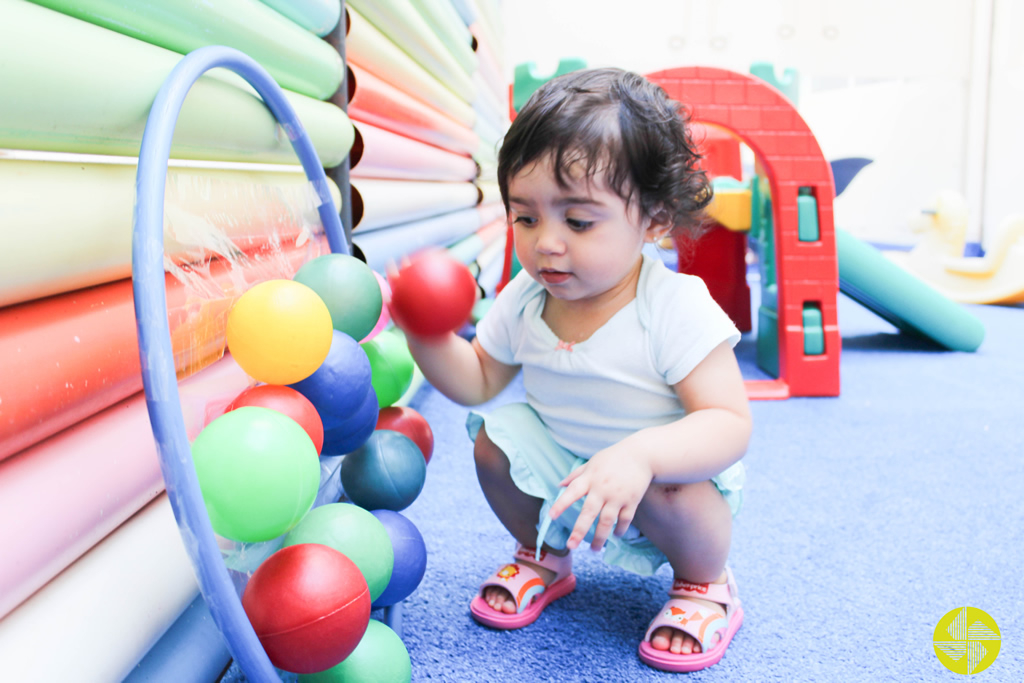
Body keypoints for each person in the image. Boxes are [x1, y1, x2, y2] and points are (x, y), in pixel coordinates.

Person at [399, 67, 752, 673]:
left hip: (662, 483)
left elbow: (728, 423)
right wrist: (424, 332)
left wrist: (641, 456)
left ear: (655, 220)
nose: (546, 244)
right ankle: (544, 555)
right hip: (566, 472)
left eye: (579, 221)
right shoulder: (528, 296)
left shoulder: (673, 306)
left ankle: (704, 586)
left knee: (678, 491)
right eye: (526, 218)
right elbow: (478, 379)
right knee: (492, 444)